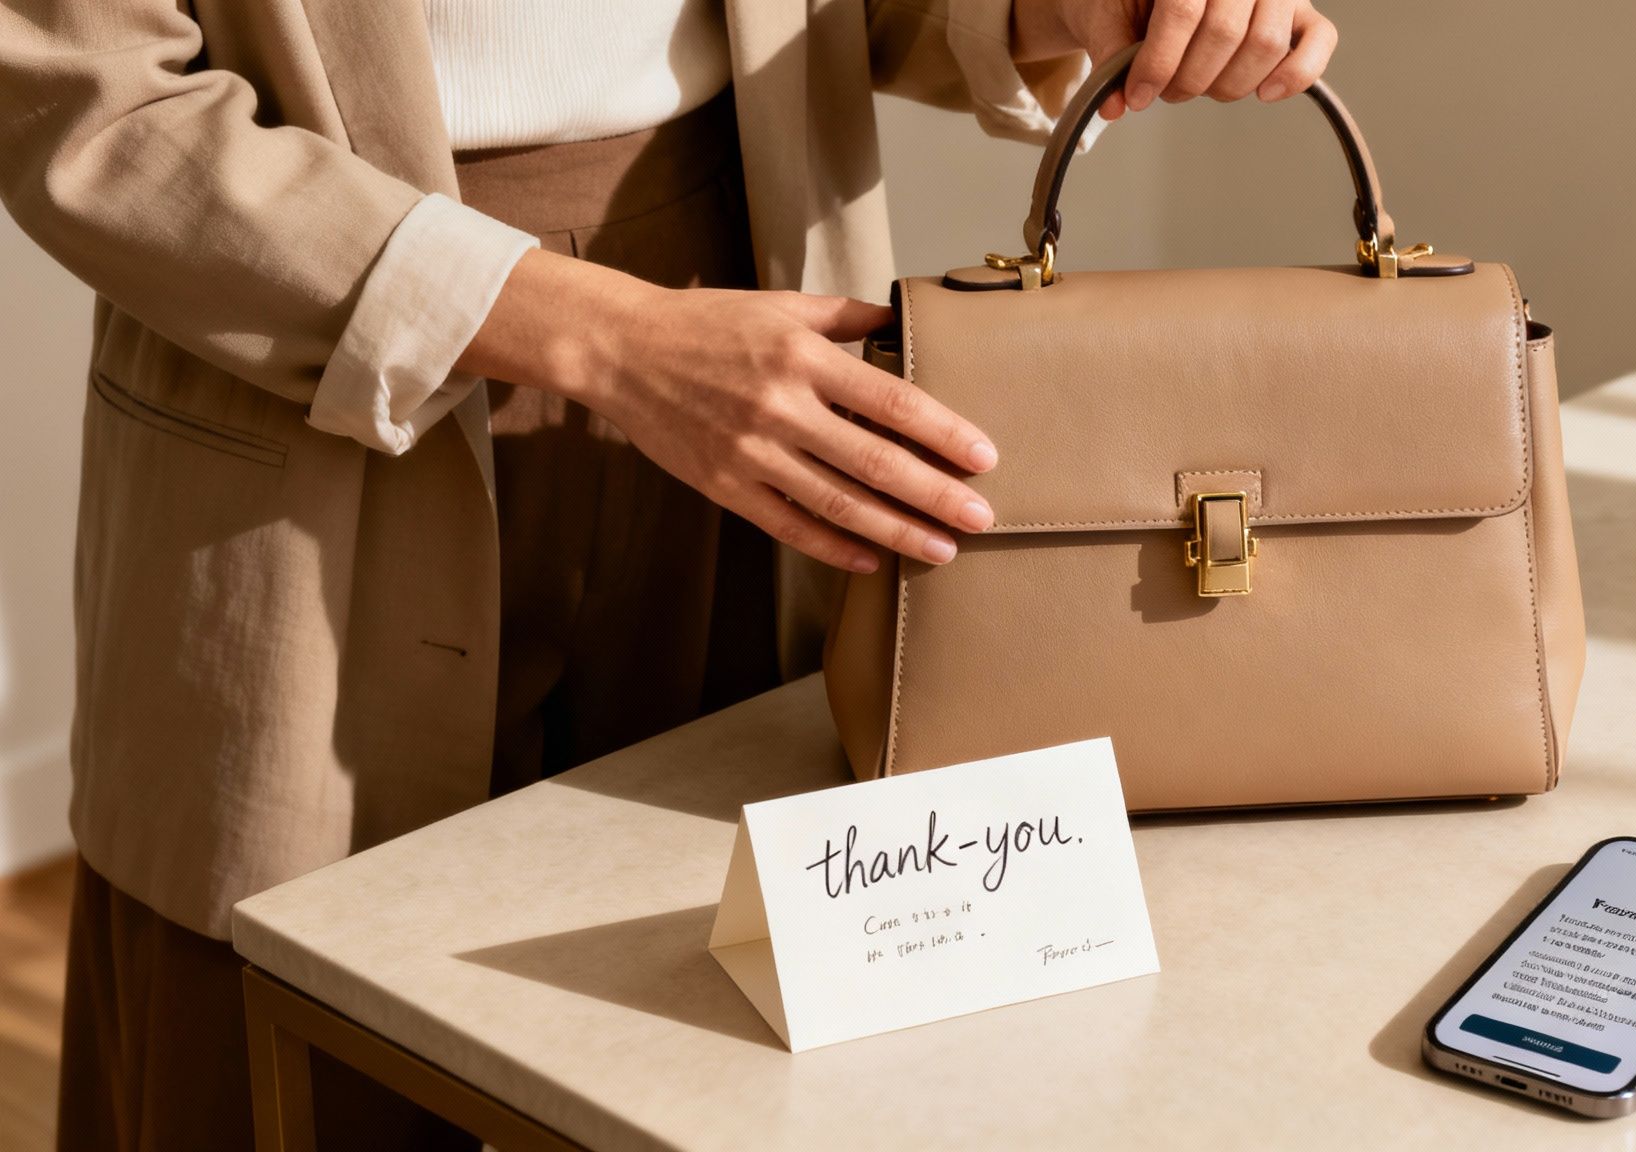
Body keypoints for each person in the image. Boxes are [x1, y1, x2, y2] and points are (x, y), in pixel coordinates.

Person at [0, 0, 1339, 1146]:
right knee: (271, 1047)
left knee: (724, 1031)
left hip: (748, 312)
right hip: (303, 375)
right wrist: (615, 339)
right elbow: (80, 94)